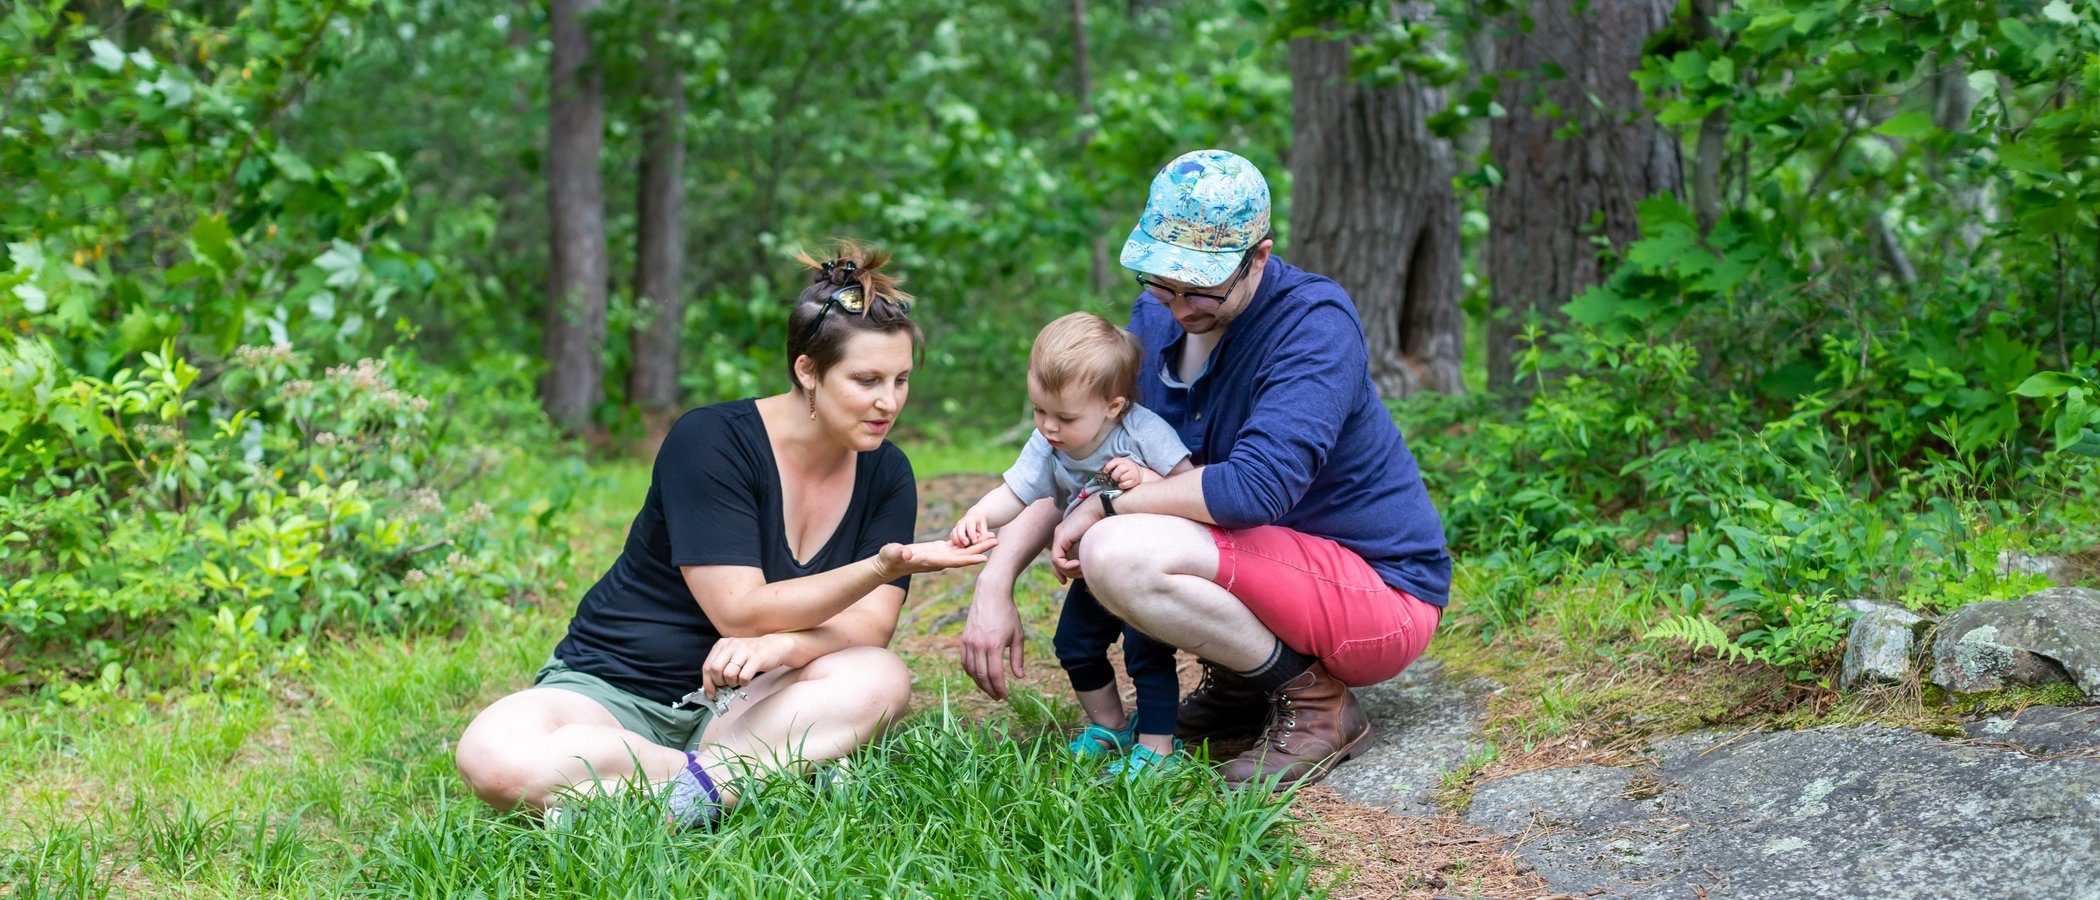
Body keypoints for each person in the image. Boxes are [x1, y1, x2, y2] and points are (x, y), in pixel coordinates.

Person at [959, 149, 1452, 791]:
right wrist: (995, 582)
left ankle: (1318, 706)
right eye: (1162, 282)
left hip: (1377, 597)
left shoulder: (1312, 325)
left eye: (1202, 287)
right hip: (1268, 572)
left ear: (1260, 258)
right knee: (1117, 534)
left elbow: (1253, 489)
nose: (1179, 306)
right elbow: (1079, 456)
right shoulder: (1153, 319)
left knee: (1118, 550)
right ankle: (1248, 683)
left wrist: (1104, 507)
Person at [457, 241, 995, 826]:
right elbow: (740, 613)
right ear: (807, 371)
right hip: (615, 690)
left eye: (900, 380)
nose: (888, 402)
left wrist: (785, 647)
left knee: (878, 678)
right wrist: (880, 568)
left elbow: (871, 629)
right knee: (491, 755)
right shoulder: (711, 440)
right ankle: (753, 779)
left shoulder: (887, 472)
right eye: (866, 380)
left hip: (751, 700)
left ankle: (648, 797)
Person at [948, 312, 1192, 776]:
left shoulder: (1142, 433)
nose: (1048, 426)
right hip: (1092, 571)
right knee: (1074, 644)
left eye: (1064, 416)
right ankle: (1112, 726)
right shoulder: (1048, 443)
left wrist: (1142, 478)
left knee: (1147, 651)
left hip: (1143, 565)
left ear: (1112, 406)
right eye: (1039, 410)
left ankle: (1159, 749)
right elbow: (1017, 492)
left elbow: (1188, 488)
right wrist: (979, 514)